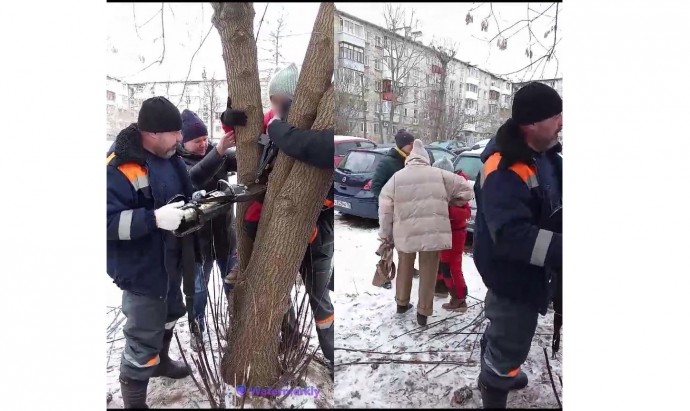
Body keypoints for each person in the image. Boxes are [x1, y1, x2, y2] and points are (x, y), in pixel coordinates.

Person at [473, 82, 563, 408]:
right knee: (511, 338)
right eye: (555, 116)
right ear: (531, 124)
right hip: (512, 276)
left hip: (537, 273)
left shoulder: (549, 158)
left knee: (510, 335)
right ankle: (495, 381)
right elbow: (511, 236)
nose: (562, 121)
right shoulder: (503, 168)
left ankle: (501, 367)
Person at [106, 97, 197, 408]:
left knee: (171, 315)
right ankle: (134, 400)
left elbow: (184, 188)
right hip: (142, 269)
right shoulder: (120, 166)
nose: (180, 139)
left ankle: (160, 362)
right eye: (175, 133)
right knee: (142, 337)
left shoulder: (170, 156)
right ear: (154, 133)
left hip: (171, 262)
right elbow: (105, 222)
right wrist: (154, 219)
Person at [378, 139, 474, 326]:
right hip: (432, 233)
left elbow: (385, 209)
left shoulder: (397, 177)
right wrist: (450, 201)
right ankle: (423, 312)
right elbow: (467, 190)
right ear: (426, 158)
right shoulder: (439, 174)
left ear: (410, 159)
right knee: (429, 272)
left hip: (404, 234)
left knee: (405, 267)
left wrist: (385, 235)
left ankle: (402, 304)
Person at [176, 109, 246, 351]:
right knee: (197, 291)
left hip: (226, 237)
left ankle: (238, 328)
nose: (203, 144)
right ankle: (198, 329)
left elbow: (245, 158)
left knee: (234, 287)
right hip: (197, 244)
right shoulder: (177, 163)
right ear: (183, 141)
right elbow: (193, 177)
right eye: (197, 141)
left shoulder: (219, 154)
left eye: (205, 139)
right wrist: (218, 151)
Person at [370, 129, 419, 288]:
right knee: (388, 244)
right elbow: (375, 186)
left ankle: (408, 269)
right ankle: (383, 275)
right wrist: (387, 202)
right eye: (411, 144)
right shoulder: (388, 162)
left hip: (405, 210)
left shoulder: (409, 160)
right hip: (390, 211)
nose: (413, 146)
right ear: (404, 145)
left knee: (406, 243)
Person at [432, 158, 472, 312]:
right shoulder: (443, 186)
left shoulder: (458, 189)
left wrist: (446, 211)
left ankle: (459, 298)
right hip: (445, 232)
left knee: (452, 266)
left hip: (455, 233)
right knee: (444, 264)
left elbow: (466, 212)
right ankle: (444, 289)